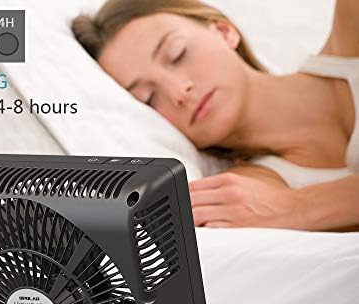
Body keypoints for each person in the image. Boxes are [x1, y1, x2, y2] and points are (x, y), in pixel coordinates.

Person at [72, 0, 359, 231]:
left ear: (224, 31)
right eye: (148, 98)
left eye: (177, 54)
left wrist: (301, 206)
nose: (178, 92)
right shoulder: (247, 194)